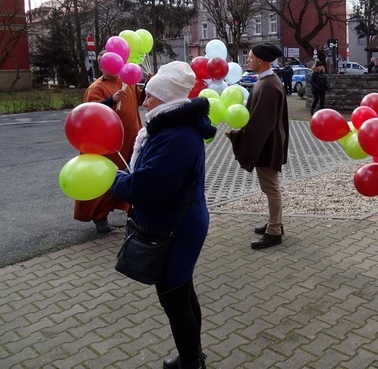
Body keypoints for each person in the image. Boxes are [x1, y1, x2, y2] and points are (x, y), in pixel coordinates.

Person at [111, 61, 216, 369]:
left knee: (174, 297)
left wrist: (117, 181)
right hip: (180, 223)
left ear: (168, 99)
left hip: (175, 229)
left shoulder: (176, 136)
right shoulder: (173, 129)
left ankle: (190, 362)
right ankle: (193, 355)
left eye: (150, 96)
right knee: (181, 290)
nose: (144, 102)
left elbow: (149, 188)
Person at [227, 42, 289, 249]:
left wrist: (238, 137)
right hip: (269, 142)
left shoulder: (269, 85)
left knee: (271, 188)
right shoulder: (267, 81)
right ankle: (275, 223)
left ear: (260, 61)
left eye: (251, 57)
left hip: (268, 144)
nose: (248, 60)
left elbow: (261, 123)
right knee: (270, 186)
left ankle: (274, 230)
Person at [74, 50, 143, 233]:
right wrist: (111, 99)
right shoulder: (96, 88)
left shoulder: (128, 82)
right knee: (105, 178)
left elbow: (141, 99)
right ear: (101, 66)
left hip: (131, 141)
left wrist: (150, 82)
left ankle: (130, 213)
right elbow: (91, 112)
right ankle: (99, 216)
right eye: (109, 64)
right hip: (108, 144)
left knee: (131, 176)